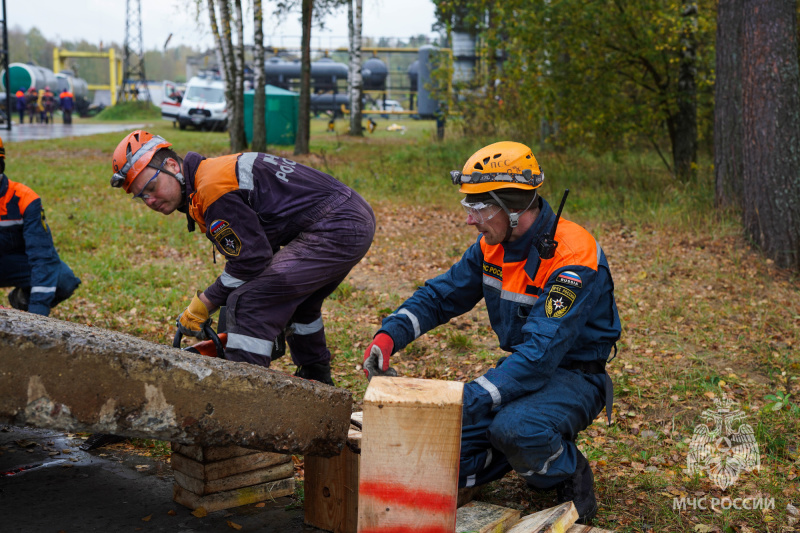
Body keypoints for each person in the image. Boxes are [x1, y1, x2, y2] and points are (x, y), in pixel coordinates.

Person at [362, 142, 621, 524]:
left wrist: (469, 398)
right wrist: (390, 335)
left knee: (515, 428)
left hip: (574, 376)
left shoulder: (572, 256)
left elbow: (539, 356)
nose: (470, 220)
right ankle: (507, 450)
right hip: (523, 367)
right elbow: (439, 296)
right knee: (445, 448)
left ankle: (567, 476)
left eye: (479, 208)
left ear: (513, 208)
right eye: (468, 207)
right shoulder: (492, 247)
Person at [110, 130, 375, 385]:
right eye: (142, 196)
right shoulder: (209, 176)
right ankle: (317, 378)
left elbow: (250, 262)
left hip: (337, 227)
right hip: (347, 217)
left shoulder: (212, 188)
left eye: (152, 187)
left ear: (172, 165)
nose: (150, 200)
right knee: (299, 304)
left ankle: (244, 397)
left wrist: (204, 303)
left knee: (250, 302)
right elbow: (260, 247)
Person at [0, 135, 82, 315]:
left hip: (16, 262)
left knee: (63, 280)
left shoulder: (25, 200)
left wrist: (36, 320)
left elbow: (42, 257)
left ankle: (23, 300)